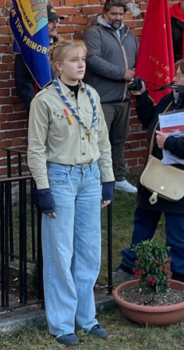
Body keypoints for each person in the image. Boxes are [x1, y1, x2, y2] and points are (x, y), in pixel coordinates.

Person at [28, 40, 115, 346]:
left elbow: (102, 140)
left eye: (83, 60)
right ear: (58, 65)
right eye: (74, 60)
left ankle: (86, 317)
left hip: (89, 176)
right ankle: (62, 323)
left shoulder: (91, 95)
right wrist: (44, 189)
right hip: (61, 177)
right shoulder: (44, 101)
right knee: (60, 251)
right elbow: (36, 150)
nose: (81, 64)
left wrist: (108, 178)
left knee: (89, 249)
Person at [114, 60, 184, 282]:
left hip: (179, 182)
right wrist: (142, 97)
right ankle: (130, 266)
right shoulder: (169, 99)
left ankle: (179, 277)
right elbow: (149, 120)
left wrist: (172, 144)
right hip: (154, 174)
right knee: (143, 223)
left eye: (180, 76)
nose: (174, 80)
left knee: (178, 235)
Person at [83, 0, 140, 194]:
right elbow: (92, 60)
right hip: (102, 99)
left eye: (121, 14)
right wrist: (121, 73)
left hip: (124, 97)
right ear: (105, 13)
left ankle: (119, 177)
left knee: (119, 140)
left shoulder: (128, 34)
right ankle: (97, 181)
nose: (118, 18)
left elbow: (138, 57)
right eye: (114, 14)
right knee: (100, 142)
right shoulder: (94, 33)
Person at [15, 4, 64, 113]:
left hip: (63, 105)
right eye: (51, 22)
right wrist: (35, 106)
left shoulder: (63, 47)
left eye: (57, 21)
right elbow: (23, 83)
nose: (56, 25)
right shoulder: (28, 51)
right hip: (41, 107)